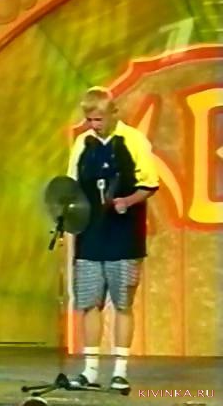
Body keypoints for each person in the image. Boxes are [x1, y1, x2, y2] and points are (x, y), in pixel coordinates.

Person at [66, 87, 159, 391]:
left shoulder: (133, 140)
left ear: (113, 113)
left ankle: (120, 371)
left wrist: (127, 202)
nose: (94, 125)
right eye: (90, 120)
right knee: (89, 303)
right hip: (90, 234)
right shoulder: (83, 143)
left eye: (99, 119)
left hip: (124, 235)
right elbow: (71, 185)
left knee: (122, 304)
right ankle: (90, 371)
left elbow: (149, 183)